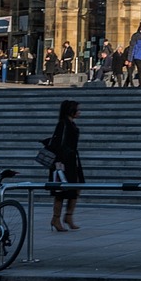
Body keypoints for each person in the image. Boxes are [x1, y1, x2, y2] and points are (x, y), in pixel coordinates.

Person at [45, 99, 83, 232]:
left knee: (75, 188)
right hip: (62, 162)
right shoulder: (63, 124)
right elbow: (57, 144)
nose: (79, 112)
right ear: (70, 111)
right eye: (77, 109)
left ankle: (68, 216)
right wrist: (59, 162)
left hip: (72, 161)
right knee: (60, 191)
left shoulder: (71, 124)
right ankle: (56, 219)